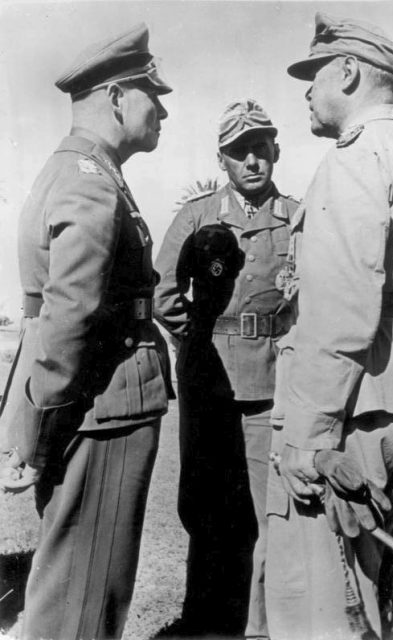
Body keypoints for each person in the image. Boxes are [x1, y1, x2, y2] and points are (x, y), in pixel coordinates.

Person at [264, 12, 393, 640]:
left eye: (314, 76)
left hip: (346, 404)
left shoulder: (356, 158)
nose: (307, 92)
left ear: (347, 71)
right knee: (368, 579)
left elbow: (341, 313)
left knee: (317, 598)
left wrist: (308, 437)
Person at [0, 22, 174, 640]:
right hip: (105, 406)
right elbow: (69, 316)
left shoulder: (75, 171)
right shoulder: (90, 183)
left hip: (91, 404)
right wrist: (41, 427)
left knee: (73, 579)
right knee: (85, 595)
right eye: (155, 98)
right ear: (119, 97)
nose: (163, 113)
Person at [154, 99, 301, 638]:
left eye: (261, 148)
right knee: (208, 505)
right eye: (240, 151)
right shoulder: (196, 216)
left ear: (276, 151)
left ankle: (259, 624)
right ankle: (207, 620)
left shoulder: (298, 216)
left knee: (268, 510)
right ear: (223, 159)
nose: (253, 161)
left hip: (271, 381)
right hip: (210, 381)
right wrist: (199, 340)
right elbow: (163, 294)